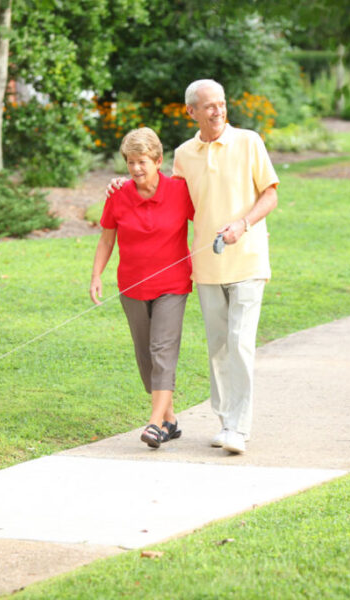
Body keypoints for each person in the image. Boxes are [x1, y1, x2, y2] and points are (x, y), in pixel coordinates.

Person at [107, 79, 279, 454]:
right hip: (205, 266)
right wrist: (127, 183)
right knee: (218, 346)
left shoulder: (249, 141)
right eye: (208, 106)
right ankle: (224, 420)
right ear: (191, 112)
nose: (217, 110)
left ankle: (239, 426)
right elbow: (168, 195)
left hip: (248, 260)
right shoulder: (184, 154)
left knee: (240, 342)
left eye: (221, 103)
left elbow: (270, 193)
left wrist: (243, 224)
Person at [91, 127, 194, 449]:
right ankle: (170, 419)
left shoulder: (180, 191)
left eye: (143, 162)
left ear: (158, 161)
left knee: (162, 350)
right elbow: (107, 238)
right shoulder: (118, 195)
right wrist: (96, 275)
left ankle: (153, 423)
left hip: (172, 285)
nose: (136, 169)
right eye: (131, 162)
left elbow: (207, 220)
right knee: (144, 355)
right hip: (132, 286)